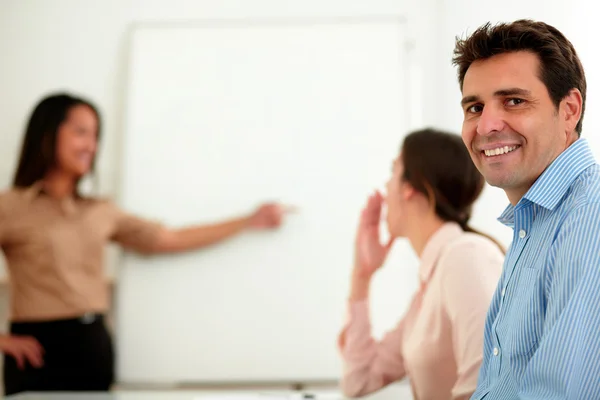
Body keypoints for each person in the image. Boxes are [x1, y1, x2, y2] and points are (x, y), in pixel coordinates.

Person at [0, 92, 290, 395]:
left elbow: (171, 238)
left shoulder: (100, 211)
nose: (91, 146)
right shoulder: (10, 207)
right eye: (81, 132)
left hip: (90, 346)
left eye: (96, 136)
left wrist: (247, 221)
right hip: (34, 352)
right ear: (47, 132)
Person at [453, 19, 600, 399]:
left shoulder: (589, 216)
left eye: (514, 101)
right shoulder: (535, 221)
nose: (485, 126)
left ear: (569, 110)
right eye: (474, 107)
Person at [337, 128, 504, 400]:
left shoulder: (464, 256)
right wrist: (362, 275)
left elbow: (485, 385)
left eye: (393, 171)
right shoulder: (432, 280)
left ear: (410, 187)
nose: (386, 188)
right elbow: (360, 380)